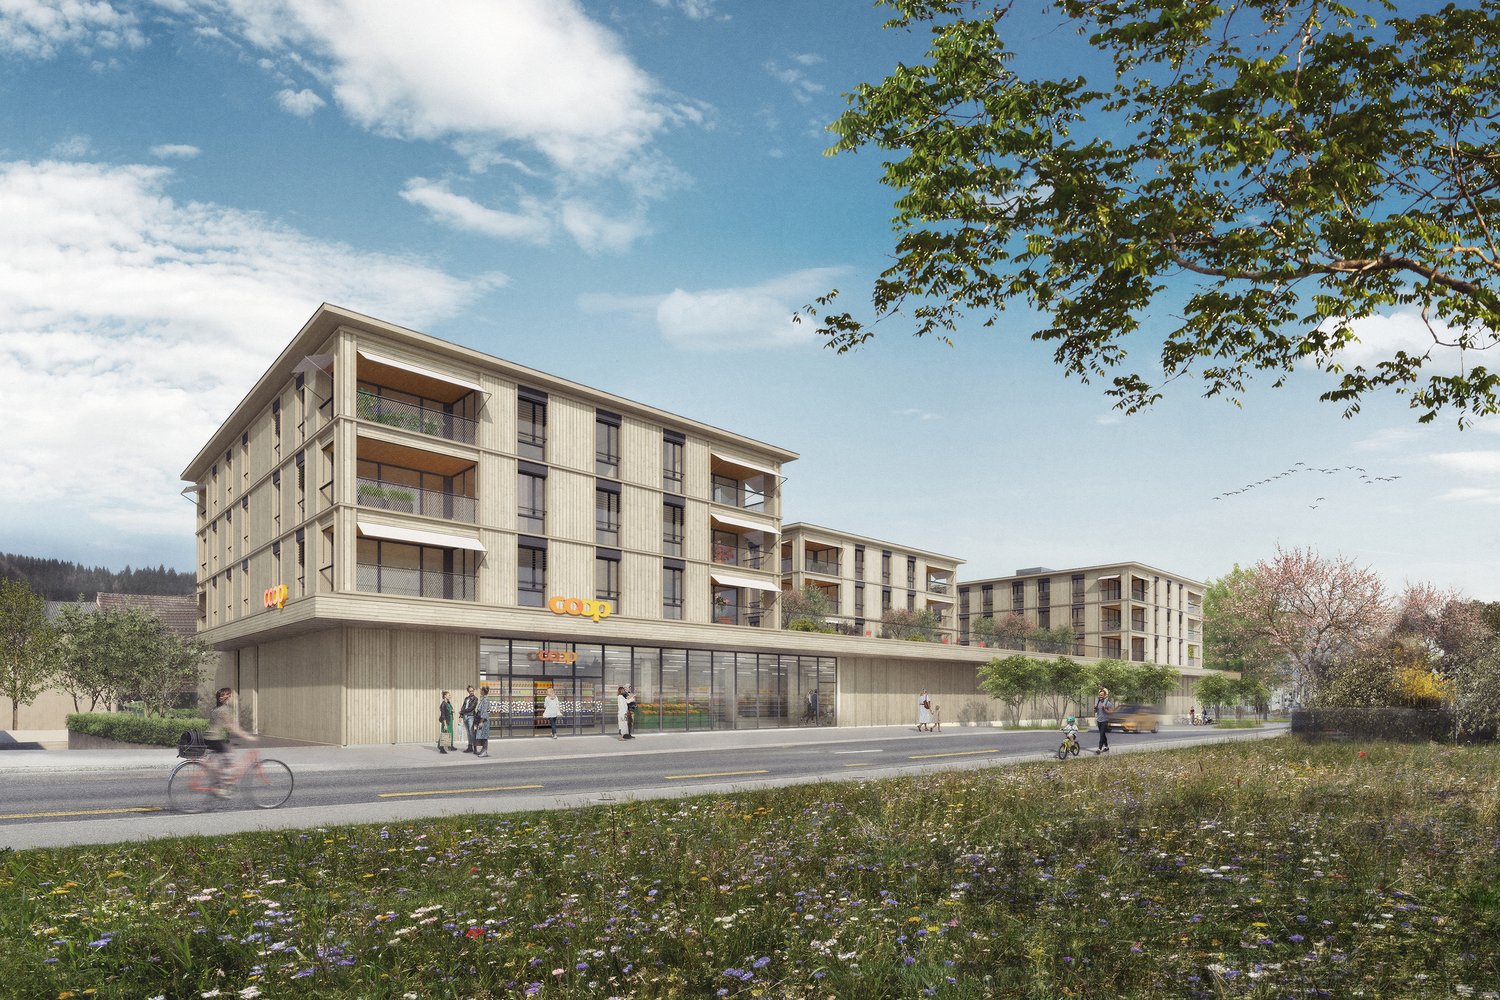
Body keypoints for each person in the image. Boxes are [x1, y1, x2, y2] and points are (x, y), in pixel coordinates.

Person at [204, 686, 253, 796]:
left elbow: (220, 724)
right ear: (228, 697)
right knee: (227, 763)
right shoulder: (225, 709)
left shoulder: (215, 709)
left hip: (208, 738)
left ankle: (217, 782)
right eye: (232, 696)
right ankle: (222, 788)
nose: (233, 698)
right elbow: (232, 727)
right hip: (216, 739)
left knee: (226, 755)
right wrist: (247, 736)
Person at [1093, 686, 1113, 754]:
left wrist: (1105, 709)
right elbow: (1095, 712)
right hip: (1099, 721)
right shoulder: (1098, 703)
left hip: (1105, 721)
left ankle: (1099, 748)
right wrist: (1095, 709)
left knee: (1101, 735)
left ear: (1105, 696)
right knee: (1103, 734)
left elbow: (1111, 712)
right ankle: (1106, 747)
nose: (1100, 696)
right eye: (1099, 695)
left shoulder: (1108, 703)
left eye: (1102, 695)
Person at [473, 685, 492, 757]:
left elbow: (484, 711)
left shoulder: (485, 700)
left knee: (484, 736)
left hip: (484, 721)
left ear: (483, 691)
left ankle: (485, 750)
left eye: (481, 690)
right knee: (482, 735)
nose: (480, 691)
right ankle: (483, 750)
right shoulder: (483, 699)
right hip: (482, 720)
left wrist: (481, 721)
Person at [460, 685, 479, 753]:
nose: (471, 692)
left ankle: (475, 748)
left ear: (474, 690)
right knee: (468, 732)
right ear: (468, 691)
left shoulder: (475, 699)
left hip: (471, 716)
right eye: (470, 691)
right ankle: (470, 747)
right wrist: (461, 715)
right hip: (465, 716)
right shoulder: (466, 698)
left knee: (471, 732)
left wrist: (462, 711)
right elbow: (463, 706)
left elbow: (472, 707)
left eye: (472, 691)